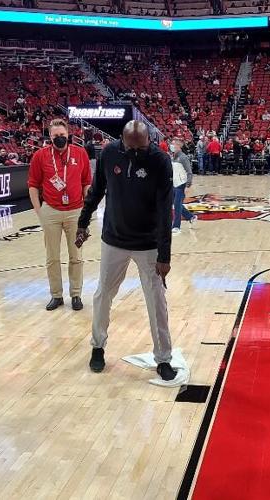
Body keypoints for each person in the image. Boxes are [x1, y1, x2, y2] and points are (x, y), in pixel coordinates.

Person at [76, 120, 177, 381]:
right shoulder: (109, 153)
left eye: (141, 148)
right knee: (102, 296)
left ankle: (163, 358)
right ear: (122, 140)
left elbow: (166, 210)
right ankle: (97, 347)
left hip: (148, 244)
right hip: (114, 240)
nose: (135, 153)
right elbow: (96, 190)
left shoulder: (160, 160)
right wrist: (82, 222)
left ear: (149, 140)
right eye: (131, 148)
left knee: (157, 302)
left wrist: (164, 255)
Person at [28, 119, 92, 311]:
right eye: (55, 136)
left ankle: (76, 294)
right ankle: (56, 295)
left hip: (75, 211)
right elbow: (32, 185)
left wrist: (86, 213)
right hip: (51, 211)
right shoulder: (40, 156)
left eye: (62, 136)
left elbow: (86, 183)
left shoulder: (80, 153)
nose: (59, 139)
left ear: (68, 135)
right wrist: (40, 211)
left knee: (76, 256)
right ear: (50, 137)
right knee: (52, 257)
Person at [169, 138, 196, 234]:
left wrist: (188, 186)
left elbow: (189, 172)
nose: (171, 146)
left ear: (178, 146)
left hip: (182, 185)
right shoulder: (173, 157)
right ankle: (191, 217)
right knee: (175, 203)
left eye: (173, 144)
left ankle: (176, 227)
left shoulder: (183, 157)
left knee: (177, 205)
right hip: (174, 184)